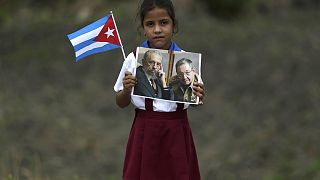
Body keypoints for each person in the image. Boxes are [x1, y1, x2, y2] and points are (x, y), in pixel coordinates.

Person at [114, 0, 205, 179]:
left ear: (174, 25)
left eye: (163, 23)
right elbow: (120, 102)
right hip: (145, 130)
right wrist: (126, 90)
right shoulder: (133, 59)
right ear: (143, 28)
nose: (157, 30)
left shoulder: (186, 61)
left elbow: (195, 101)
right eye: (150, 24)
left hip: (177, 130)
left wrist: (199, 96)